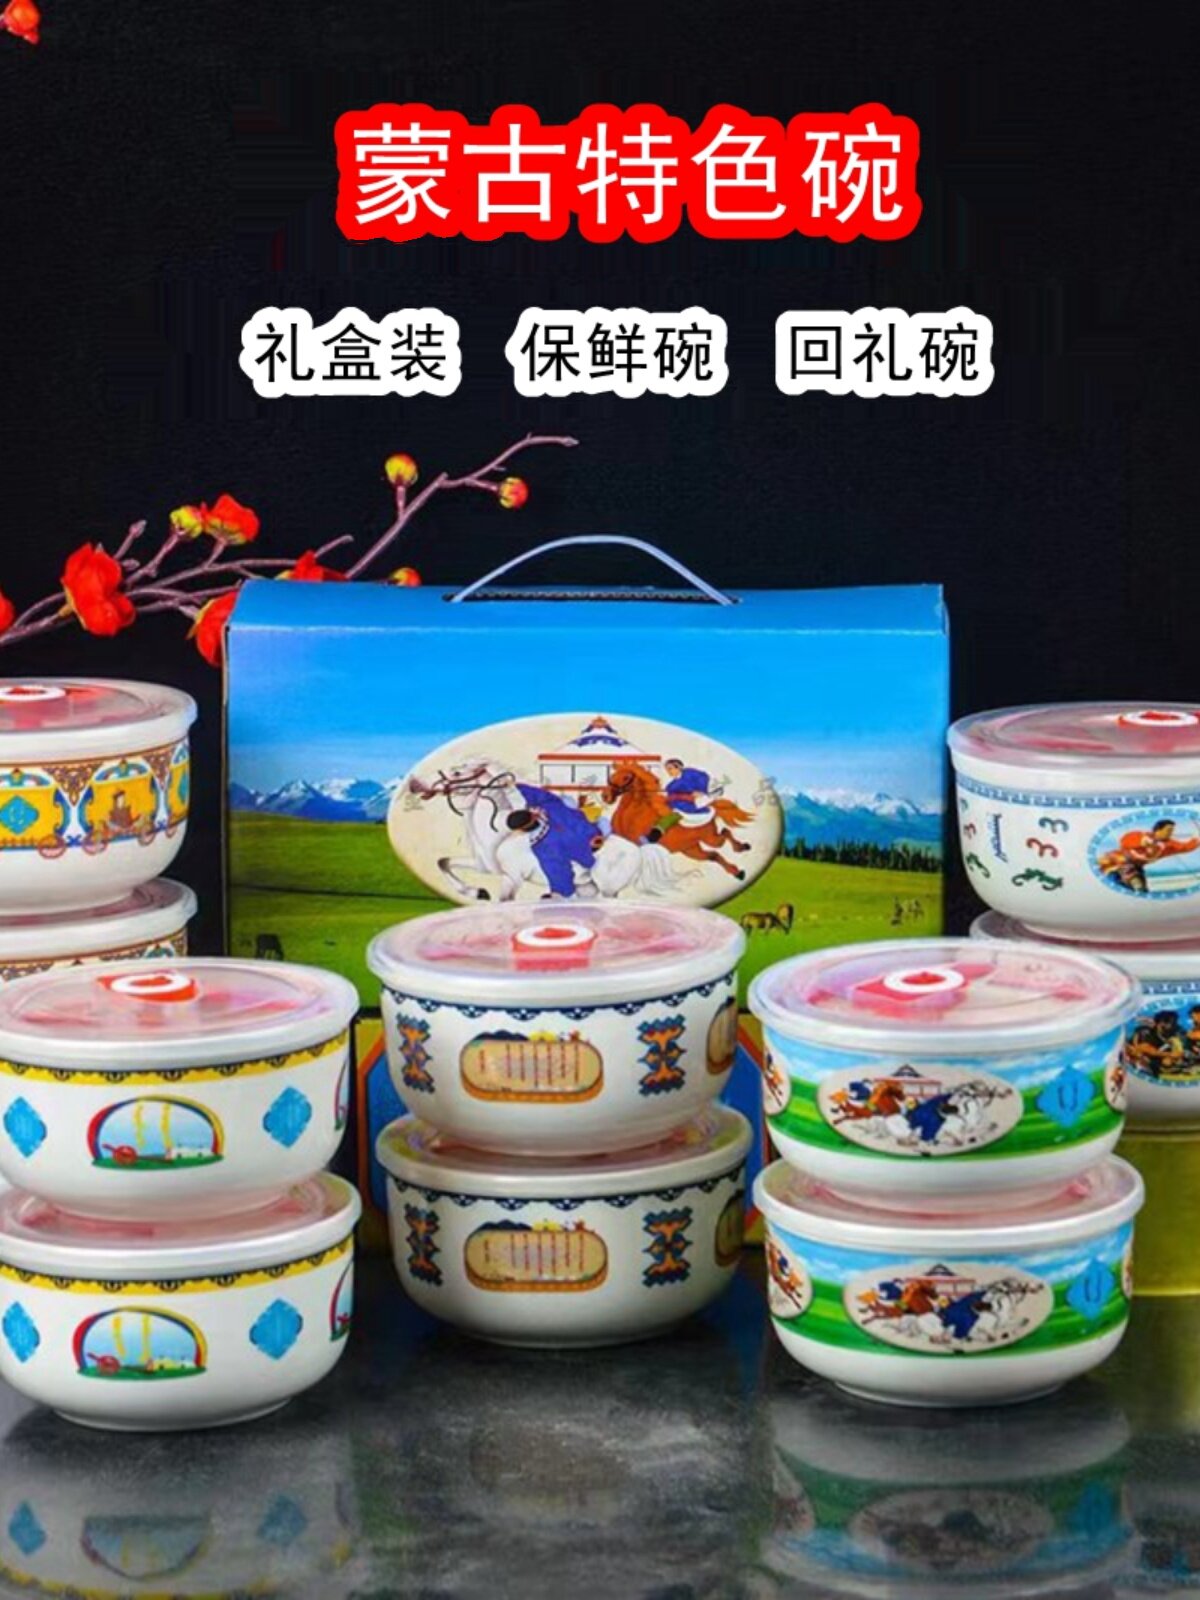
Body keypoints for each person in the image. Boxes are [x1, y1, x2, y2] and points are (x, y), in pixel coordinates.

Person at [1098, 818, 1200, 894]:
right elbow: (1126, 840)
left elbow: (1186, 847)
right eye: (1168, 830)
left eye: (1172, 830)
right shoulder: (1143, 836)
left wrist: (1197, 839)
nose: (1171, 832)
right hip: (1115, 861)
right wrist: (1142, 841)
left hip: (1135, 867)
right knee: (1126, 882)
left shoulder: (1169, 845)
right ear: (1158, 830)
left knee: (1140, 888)